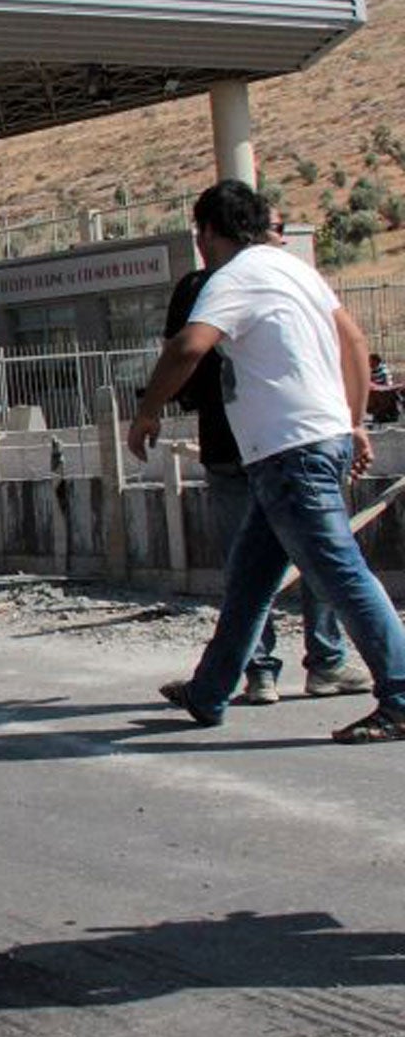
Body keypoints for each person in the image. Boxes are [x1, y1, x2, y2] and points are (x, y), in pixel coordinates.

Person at [130, 179, 405, 742]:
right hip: (306, 445)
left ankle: (401, 694)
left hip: (290, 453)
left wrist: (147, 411)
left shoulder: (233, 276)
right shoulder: (295, 270)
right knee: (250, 581)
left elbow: (189, 346)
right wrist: (351, 421)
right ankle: (209, 691)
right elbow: (353, 341)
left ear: (207, 231)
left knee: (341, 572)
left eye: (200, 234)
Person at [162, 209, 361, 704]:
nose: (278, 234)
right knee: (313, 565)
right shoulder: (259, 280)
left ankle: (240, 680)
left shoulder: (257, 279)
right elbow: (185, 349)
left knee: (264, 571)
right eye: (274, 225)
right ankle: (285, 669)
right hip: (259, 448)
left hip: (276, 447)